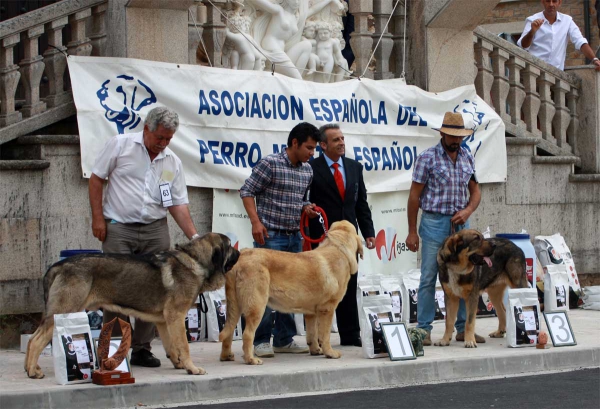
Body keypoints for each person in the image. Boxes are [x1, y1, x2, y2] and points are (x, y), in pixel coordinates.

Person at [89, 106, 200, 367]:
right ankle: (114, 352)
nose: (162, 144)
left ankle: (141, 348)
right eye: (159, 137)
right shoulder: (120, 145)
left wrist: (194, 236)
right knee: (115, 291)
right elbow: (96, 180)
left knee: (156, 291)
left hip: (155, 229)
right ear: (146, 129)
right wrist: (97, 218)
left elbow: (177, 204)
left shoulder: (172, 161)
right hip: (119, 227)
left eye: (168, 139)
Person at [240, 122, 320, 357]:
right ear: (294, 143)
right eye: (308, 147)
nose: (311, 153)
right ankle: (260, 341)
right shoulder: (270, 163)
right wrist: (256, 222)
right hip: (270, 237)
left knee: (290, 291)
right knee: (263, 291)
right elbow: (247, 191)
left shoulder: (308, 170)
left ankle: (284, 339)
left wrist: (307, 208)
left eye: (314, 149)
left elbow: (301, 198)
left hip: (294, 237)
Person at [405, 112, 482, 346]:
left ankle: (461, 329)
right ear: (442, 133)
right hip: (434, 222)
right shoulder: (427, 158)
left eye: (459, 136)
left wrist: (468, 211)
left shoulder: (467, 155)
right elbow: (414, 197)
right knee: (429, 276)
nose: (456, 141)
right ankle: (424, 330)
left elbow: (476, 192)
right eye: (452, 136)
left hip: (461, 226)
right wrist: (411, 231)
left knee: (464, 275)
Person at [308, 124, 375, 347]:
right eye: (336, 140)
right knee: (321, 287)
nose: (341, 143)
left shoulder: (354, 167)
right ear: (323, 145)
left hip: (348, 241)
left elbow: (361, 204)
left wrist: (368, 233)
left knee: (347, 285)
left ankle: (350, 334)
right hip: (323, 239)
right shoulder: (311, 168)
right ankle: (317, 337)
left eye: (343, 138)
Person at [249, 0, 345, 79]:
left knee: (306, 45)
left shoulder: (297, 17)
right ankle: (295, 80)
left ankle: (293, 79)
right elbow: (261, 2)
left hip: (282, 52)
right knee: (297, 79)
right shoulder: (279, 11)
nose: (297, 2)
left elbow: (313, 9)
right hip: (272, 51)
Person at [517, 0, 600, 71]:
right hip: (534, 72)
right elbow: (523, 45)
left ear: (559, 2)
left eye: (554, 1)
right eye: (548, 1)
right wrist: (532, 31)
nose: (551, 4)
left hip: (556, 77)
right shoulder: (532, 20)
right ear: (542, 2)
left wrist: (594, 59)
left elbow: (580, 41)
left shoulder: (567, 21)